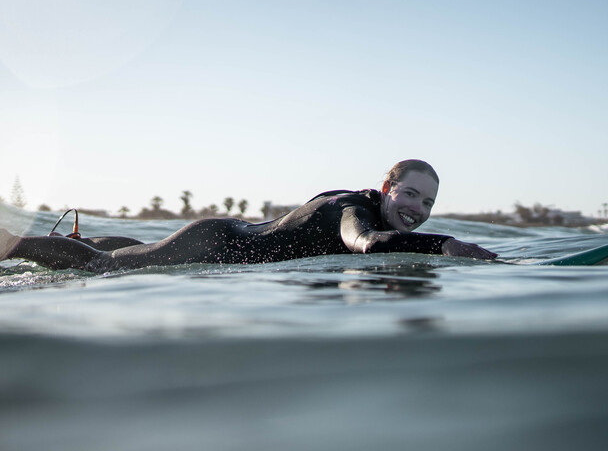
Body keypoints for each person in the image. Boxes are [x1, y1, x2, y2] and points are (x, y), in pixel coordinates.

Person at [0, 160, 496, 273]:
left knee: (120, 251)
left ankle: (90, 240)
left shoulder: (366, 206)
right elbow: (363, 244)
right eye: (410, 194)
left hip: (224, 236)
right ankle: (8, 241)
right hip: (217, 245)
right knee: (100, 267)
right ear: (387, 189)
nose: (418, 209)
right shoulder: (355, 210)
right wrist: (442, 244)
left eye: (428, 204)